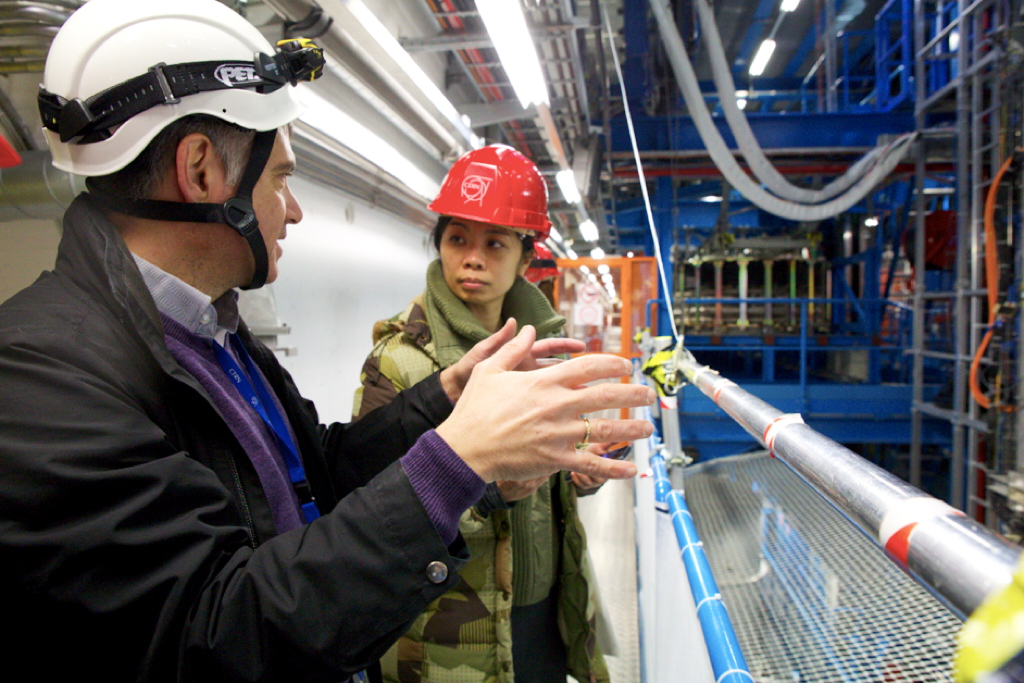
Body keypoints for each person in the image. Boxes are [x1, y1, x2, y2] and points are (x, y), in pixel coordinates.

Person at [0, 1, 655, 681]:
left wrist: (440, 399)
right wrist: (457, 460)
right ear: (201, 172)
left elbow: (323, 475)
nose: (293, 208)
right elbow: (215, 631)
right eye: (282, 178)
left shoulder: (217, 336)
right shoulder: (40, 384)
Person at [353, 145, 611, 683]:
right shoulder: (401, 360)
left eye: (495, 243)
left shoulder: (545, 350)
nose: (473, 258)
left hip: (545, 609)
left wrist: (587, 464)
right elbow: (375, 508)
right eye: (457, 239)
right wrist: (490, 488)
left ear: (526, 255)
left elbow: (553, 476)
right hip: (451, 630)